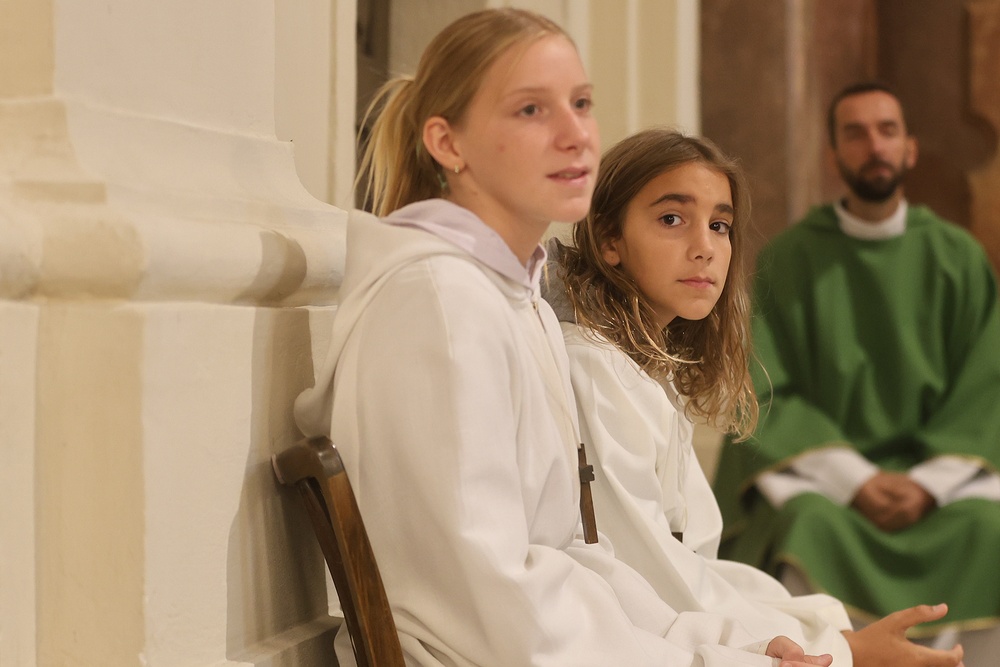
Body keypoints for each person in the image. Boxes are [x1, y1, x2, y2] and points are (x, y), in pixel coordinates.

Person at [293, 8, 832, 667]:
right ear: (448, 144)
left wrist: (718, 643)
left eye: (581, 104)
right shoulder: (442, 305)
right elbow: (492, 607)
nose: (576, 135)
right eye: (531, 110)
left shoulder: (521, 302)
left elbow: (574, 559)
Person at [546, 126, 966, 667]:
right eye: (672, 219)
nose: (704, 248)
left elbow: (693, 560)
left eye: (719, 225)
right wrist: (839, 647)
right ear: (609, 240)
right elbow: (647, 570)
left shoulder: (646, 369)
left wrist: (824, 629)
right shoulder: (597, 367)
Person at [713, 81, 1000, 659]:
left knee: (988, 530)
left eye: (887, 131)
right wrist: (855, 480)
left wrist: (927, 484)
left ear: (910, 149)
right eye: (856, 133)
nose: (874, 146)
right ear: (833, 155)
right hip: (831, 489)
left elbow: (986, 386)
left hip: (940, 486)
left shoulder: (957, 257)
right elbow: (763, 388)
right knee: (805, 526)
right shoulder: (789, 259)